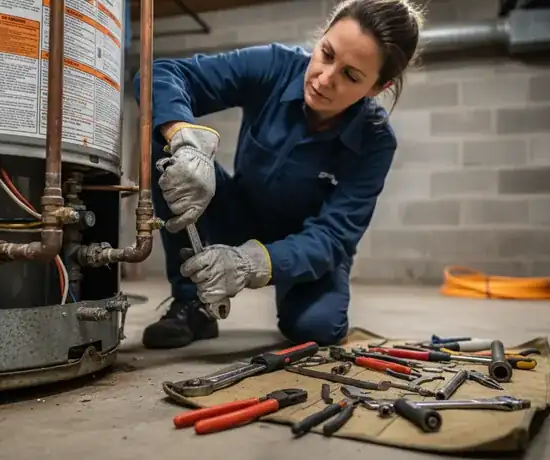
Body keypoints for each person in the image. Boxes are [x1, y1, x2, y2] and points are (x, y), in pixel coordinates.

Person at [132, 0, 424, 349]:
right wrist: (183, 139)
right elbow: (160, 75)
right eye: (327, 54)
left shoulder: (375, 141)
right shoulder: (275, 66)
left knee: (317, 328)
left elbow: (332, 237)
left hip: (306, 246)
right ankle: (191, 303)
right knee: (164, 145)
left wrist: (250, 263)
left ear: (378, 87)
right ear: (321, 37)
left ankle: (292, 295)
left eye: (351, 75)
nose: (324, 79)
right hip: (238, 212)